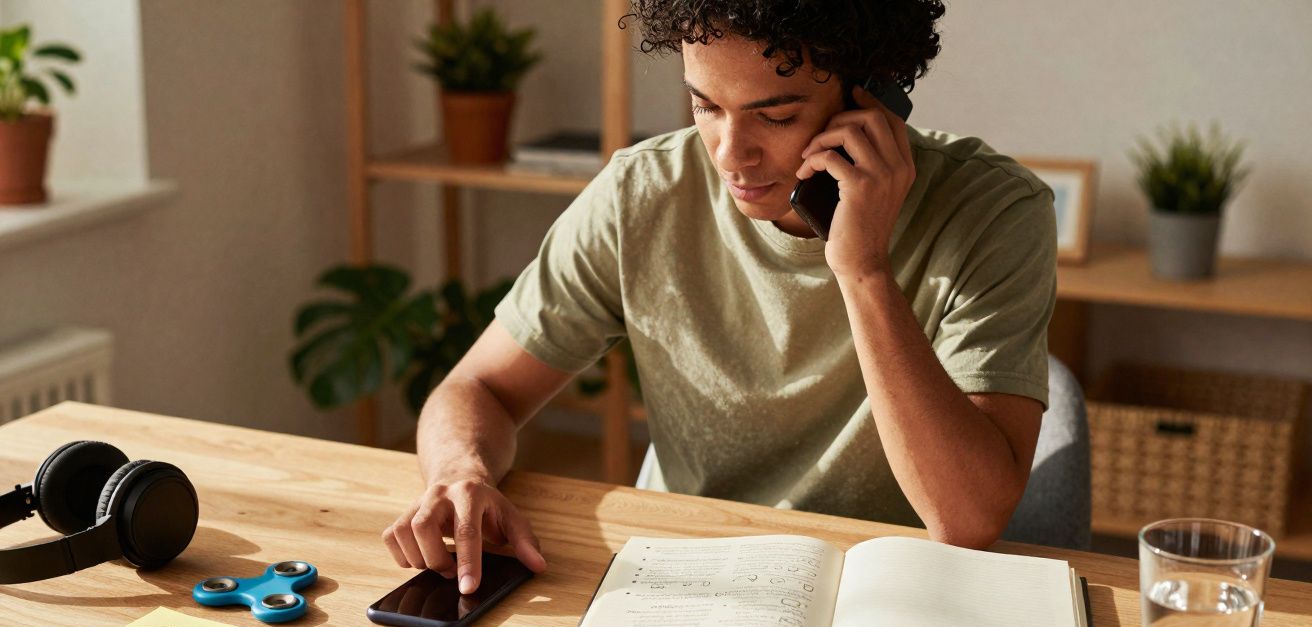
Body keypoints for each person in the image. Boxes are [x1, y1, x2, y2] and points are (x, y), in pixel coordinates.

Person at [382, 0, 1057, 594]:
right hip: (691, 586)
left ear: (872, 100)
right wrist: (459, 470)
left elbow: (966, 518)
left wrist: (863, 270)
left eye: (777, 115)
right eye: (706, 105)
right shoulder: (642, 195)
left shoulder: (993, 213)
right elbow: (479, 390)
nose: (731, 153)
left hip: (890, 596)